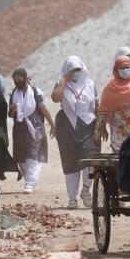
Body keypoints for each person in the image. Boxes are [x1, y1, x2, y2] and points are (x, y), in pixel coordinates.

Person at [52, 56, 100, 209]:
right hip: (67, 128)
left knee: (90, 158)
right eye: (72, 70)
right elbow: (55, 98)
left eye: (78, 69)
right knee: (70, 162)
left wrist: (99, 128)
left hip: (88, 127)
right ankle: (72, 198)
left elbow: (96, 106)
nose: (76, 73)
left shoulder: (90, 84)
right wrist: (64, 80)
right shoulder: (62, 84)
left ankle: (86, 190)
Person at [9, 69, 56, 194]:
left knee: (33, 155)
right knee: (21, 157)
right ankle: (28, 180)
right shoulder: (14, 93)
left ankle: (30, 183)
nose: (17, 83)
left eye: (19, 80)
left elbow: (43, 109)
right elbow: (10, 114)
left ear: (25, 79)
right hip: (19, 129)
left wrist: (52, 124)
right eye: (15, 81)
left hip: (35, 128)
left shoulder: (35, 92)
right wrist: (12, 110)